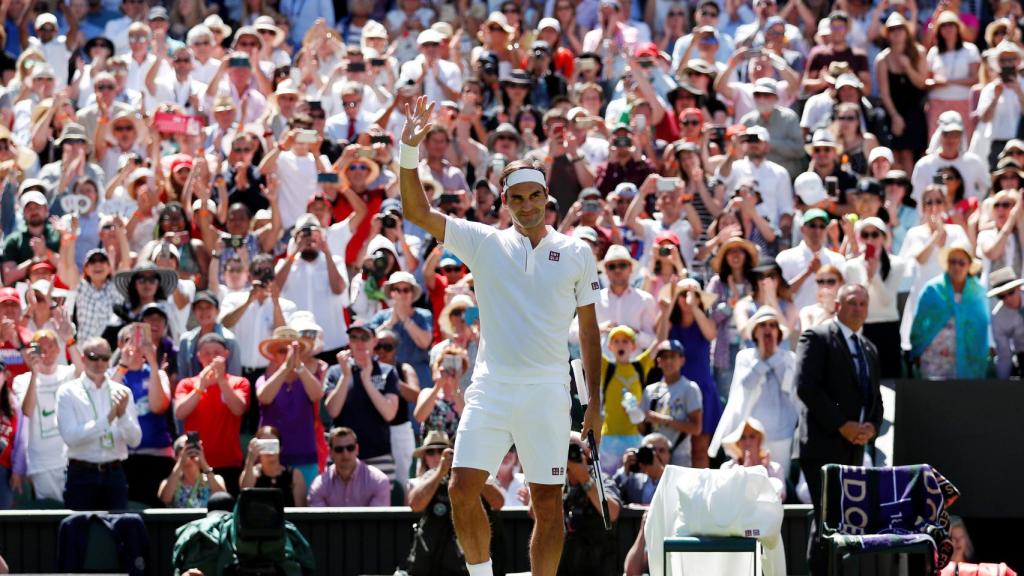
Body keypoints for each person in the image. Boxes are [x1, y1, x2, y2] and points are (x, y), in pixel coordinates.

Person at [398, 96, 602, 576]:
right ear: (505, 202)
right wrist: (409, 150)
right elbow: (415, 209)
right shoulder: (484, 241)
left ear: (546, 198)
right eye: (517, 199)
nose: (527, 206)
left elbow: (590, 332)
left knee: (548, 506)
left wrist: (593, 403)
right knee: (460, 490)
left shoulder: (576, 252)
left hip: (549, 392)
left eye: (535, 197)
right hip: (490, 389)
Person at [795, 284, 883, 574]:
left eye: (863, 303)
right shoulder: (817, 337)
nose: (858, 308)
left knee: (847, 525)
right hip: (823, 447)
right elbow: (807, 388)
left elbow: (875, 399)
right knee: (826, 521)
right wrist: (842, 425)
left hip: (855, 449)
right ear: (837, 305)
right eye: (851, 302)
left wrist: (871, 427)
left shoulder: (869, 348)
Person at [710, 306, 799, 476]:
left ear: (778, 332)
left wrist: (772, 355)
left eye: (772, 325)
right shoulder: (745, 357)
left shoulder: (789, 358)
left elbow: (787, 387)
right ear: (755, 332)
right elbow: (747, 384)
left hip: (782, 432)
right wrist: (764, 358)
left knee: (778, 481)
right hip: (753, 434)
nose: (768, 329)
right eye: (763, 325)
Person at [56, 337, 142, 510]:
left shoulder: (122, 391)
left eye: (105, 358)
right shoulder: (68, 392)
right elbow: (70, 437)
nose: (100, 362)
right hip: (81, 473)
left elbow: (135, 440)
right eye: (94, 357)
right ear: (83, 358)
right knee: (78, 532)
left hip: (115, 473)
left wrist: (123, 416)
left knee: (118, 532)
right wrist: (109, 419)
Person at [405, 430, 506, 575]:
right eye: (430, 452)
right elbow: (415, 504)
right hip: (436, 565)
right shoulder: (429, 477)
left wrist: (468, 470)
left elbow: (499, 502)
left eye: (441, 451)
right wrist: (440, 472)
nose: (436, 456)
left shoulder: (477, 470)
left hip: (476, 563)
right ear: (424, 458)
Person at [174, 332, 250, 496]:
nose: (211, 357)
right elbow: (180, 413)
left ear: (226, 355)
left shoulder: (239, 382)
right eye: (207, 353)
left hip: (229, 463)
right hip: (195, 464)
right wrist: (200, 387)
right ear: (199, 356)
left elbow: (238, 409)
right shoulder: (187, 384)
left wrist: (221, 380)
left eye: (217, 353)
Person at [324, 322, 400, 478]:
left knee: (380, 502)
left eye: (364, 337)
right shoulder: (335, 371)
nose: (359, 342)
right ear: (349, 342)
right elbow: (332, 410)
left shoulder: (387, 371)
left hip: (378, 454)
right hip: (342, 454)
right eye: (354, 337)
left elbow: (389, 413)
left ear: (374, 341)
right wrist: (346, 376)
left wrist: (367, 381)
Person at [111, 323, 173, 508]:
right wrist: (123, 366)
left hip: (155, 455)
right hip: (122, 456)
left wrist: (153, 362)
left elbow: (157, 406)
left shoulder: (158, 374)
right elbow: (106, 407)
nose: (137, 347)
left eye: (142, 342)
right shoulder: (111, 375)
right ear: (121, 344)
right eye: (131, 341)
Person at [11, 330, 77, 504]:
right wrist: (35, 373)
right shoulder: (22, 380)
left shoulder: (69, 373)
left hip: (73, 460)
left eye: (51, 345)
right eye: (40, 347)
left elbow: (87, 373)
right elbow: (27, 412)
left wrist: (69, 337)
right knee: (52, 514)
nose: (46, 351)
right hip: (42, 463)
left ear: (58, 349)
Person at [910, 243, 991, 379]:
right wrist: (917, 350)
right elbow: (919, 323)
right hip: (934, 359)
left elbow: (982, 327)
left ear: (969, 265)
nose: (956, 266)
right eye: (952, 262)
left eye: (961, 263)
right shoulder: (932, 289)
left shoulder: (978, 293)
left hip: (968, 357)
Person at [256, 327, 324, 488]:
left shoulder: (308, 377)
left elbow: (316, 395)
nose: (288, 355)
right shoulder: (264, 379)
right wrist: (285, 368)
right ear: (273, 354)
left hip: (304, 456)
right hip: (271, 460)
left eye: (293, 350)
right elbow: (264, 397)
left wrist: (299, 366)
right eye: (282, 350)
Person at [843, 218, 908, 378]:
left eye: (875, 234)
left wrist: (874, 276)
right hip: (862, 328)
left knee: (890, 379)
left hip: (888, 327)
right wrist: (869, 276)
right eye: (865, 235)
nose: (870, 239)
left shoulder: (897, 264)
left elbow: (886, 300)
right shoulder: (851, 266)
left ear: (884, 238)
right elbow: (859, 301)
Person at [642, 340, 703, 468]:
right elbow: (642, 429)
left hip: (679, 456)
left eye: (673, 356)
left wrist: (663, 420)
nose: (668, 361)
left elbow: (696, 428)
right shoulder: (650, 391)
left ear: (682, 360)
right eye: (664, 357)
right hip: (654, 456)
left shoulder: (689, 388)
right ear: (658, 361)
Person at [307, 427, 390, 507]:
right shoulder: (319, 485)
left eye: (350, 448)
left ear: (357, 449)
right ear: (330, 452)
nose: (345, 454)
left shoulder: (379, 481)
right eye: (339, 449)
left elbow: (376, 520)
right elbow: (320, 521)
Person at [719, 417, 787, 501]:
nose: (747, 442)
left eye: (752, 436)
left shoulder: (775, 468)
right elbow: (726, 497)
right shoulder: (727, 468)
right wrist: (745, 473)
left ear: (759, 440)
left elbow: (781, 497)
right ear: (737, 443)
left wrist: (764, 472)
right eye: (743, 437)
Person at [240, 426, 307, 507]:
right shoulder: (251, 474)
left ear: (280, 447)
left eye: (273, 444)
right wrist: (250, 460)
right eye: (265, 444)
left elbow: (300, 510)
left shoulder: (295, 476)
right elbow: (245, 497)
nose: (269, 450)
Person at [157, 434, 227, 508]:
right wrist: (180, 463)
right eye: (183, 448)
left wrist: (204, 463)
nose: (189, 450)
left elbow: (222, 499)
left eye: (193, 447)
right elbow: (165, 499)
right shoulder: (168, 482)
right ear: (176, 456)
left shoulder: (216, 479)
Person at [416, 344, 468, 439]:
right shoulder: (427, 392)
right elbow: (419, 417)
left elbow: (467, 419)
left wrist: (455, 388)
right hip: (432, 450)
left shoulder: (465, 396)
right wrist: (438, 386)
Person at [614, 433, 671, 507]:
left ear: (669, 455)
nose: (656, 454)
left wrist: (661, 472)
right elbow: (612, 495)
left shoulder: (676, 479)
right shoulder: (631, 479)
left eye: (661, 450)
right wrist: (625, 470)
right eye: (651, 450)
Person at [987, 267, 1024, 379]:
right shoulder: (998, 317)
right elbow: (1004, 355)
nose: (1007, 299)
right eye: (1001, 296)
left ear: (1018, 288)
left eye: (1011, 292)